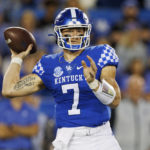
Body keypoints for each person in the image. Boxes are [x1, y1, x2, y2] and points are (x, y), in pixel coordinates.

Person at [2, 7, 121, 150]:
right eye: (69, 31)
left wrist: (94, 83)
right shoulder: (49, 64)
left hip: (101, 137)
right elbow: (9, 89)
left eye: (79, 30)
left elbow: (115, 100)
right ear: (58, 33)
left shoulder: (100, 54)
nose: (75, 35)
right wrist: (16, 58)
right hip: (68, 138)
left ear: (86, 31)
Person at [115, 75, 150, 150]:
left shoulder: (148, 106)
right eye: (133, 88)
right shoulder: (118, 106)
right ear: (128, 89)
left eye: (138, 88)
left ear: (143, 89)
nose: (136, 91)